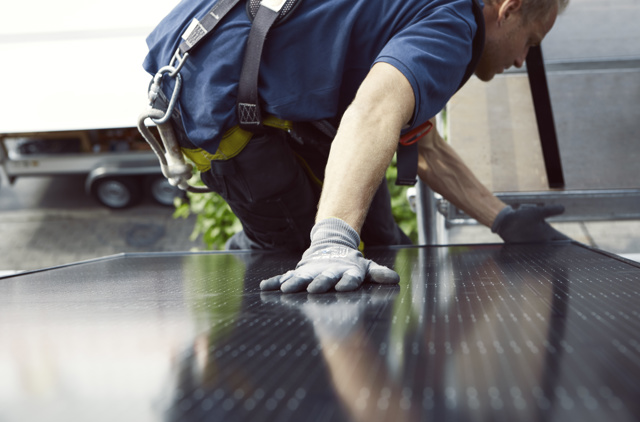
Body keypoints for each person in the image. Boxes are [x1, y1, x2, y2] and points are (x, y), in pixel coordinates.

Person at [143, 0, 570, 294]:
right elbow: (373, 113)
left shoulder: (426, 11)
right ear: (509, 9)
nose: (520, 60)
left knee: (382, 242)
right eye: (530, 42)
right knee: (307, 274)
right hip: (220, 103)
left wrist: (504, 220)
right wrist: (330, 243)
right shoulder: (454, 25)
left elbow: (422, 146)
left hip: (228, 82)